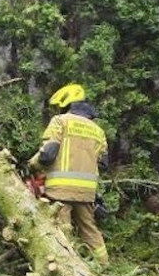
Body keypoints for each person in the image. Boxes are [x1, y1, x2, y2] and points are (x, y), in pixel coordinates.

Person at [28, 84, 110, 265]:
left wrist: (33, 165)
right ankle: (104, 266)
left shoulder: (60, 121)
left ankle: (68, 269)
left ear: (67, 105)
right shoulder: (98, 131)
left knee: (62, 231)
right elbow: (103, 164)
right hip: (87, 192)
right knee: (90, 230)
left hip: (61, 190)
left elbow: (48, 154)